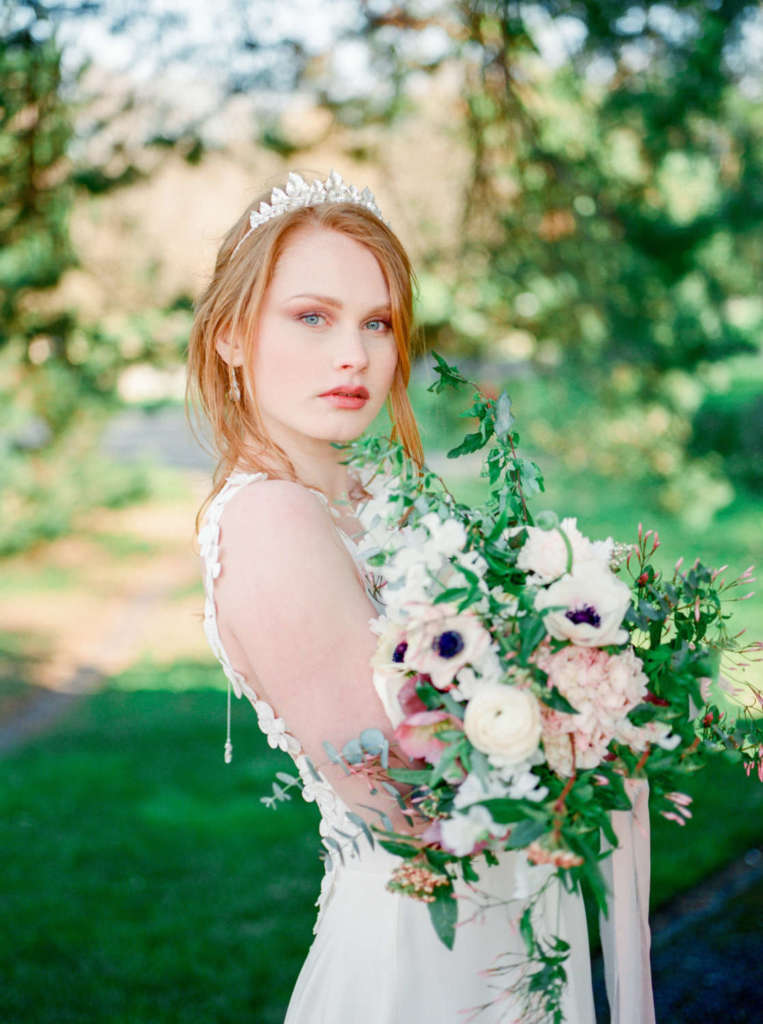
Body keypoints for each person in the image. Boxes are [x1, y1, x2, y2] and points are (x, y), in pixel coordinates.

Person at [187, 170, 652, 1023]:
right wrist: (580, 710)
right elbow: (402, 798)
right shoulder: (273, 519)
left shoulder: (373, 503)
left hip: (490, 929)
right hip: (419, 958)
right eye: (312, 316)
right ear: (230, 337)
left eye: (377, 323)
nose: (353, 356)